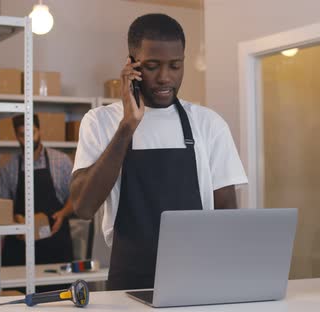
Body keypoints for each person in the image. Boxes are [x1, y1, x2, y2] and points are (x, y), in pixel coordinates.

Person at [70, 13, 247, 290]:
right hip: (129, 282)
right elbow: (83, 206)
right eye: (152, 66)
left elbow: (226, 212)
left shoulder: (207, 124)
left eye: (175, 66)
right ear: (131, 64)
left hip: (198, 279)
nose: (166, 77)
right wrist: (127, 126)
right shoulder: (101, 121)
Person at [0, 114, 74, 266]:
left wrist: (63, 213)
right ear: (16, 136)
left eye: (32, 133)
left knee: (57, 289)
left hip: (55, 245)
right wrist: (14, 220)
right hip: (20, 250)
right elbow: (3, 206)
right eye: (22, 135)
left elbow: (76, 197)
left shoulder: (61, 161)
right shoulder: (9, 168)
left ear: (39, 131)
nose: (28, 139)